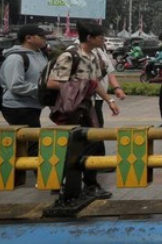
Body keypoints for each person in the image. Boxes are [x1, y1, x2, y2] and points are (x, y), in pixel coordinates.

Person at [46, 21, 121, 200]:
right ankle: (63, 184)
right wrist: (78, 87)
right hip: (70, 109)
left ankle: (90, 184)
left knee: (93, 143)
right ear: (89, 38)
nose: (104, 40)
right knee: (72, 146)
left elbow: (93, 83)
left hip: (87, 108)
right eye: (101, 37)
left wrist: (109, 100)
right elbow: (52, 82)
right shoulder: (70, 56)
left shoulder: (93, 56)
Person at [0, 25, 49, 156]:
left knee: (27, 143)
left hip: (33, 105)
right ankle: (38, 174)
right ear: (29, 38)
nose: (45, 39)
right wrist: (41, 90)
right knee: (34, 143)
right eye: (42, 36)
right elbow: (15, 85)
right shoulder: (15, 58)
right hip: (18, 107)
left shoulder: (40, 55)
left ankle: (17, 172)